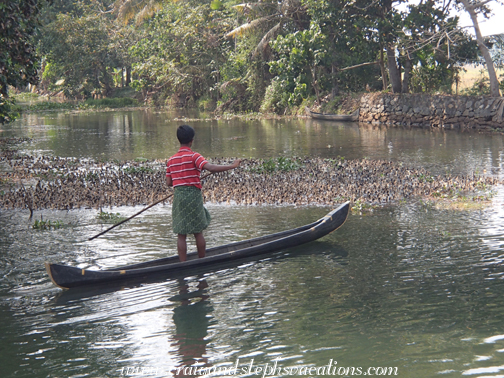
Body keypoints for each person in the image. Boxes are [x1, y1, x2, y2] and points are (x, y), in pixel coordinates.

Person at [166, 125, 241, 262]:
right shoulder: (195, 156)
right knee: (198, 231)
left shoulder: (171, 160)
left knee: (181, 234)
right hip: (193, 196)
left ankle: (183, 264)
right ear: (191, 141)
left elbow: (169, 183)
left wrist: (182, 178)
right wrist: (232, 165)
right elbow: (210, 167)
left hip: (179, 197)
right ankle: (202, 261)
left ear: (179, 140)